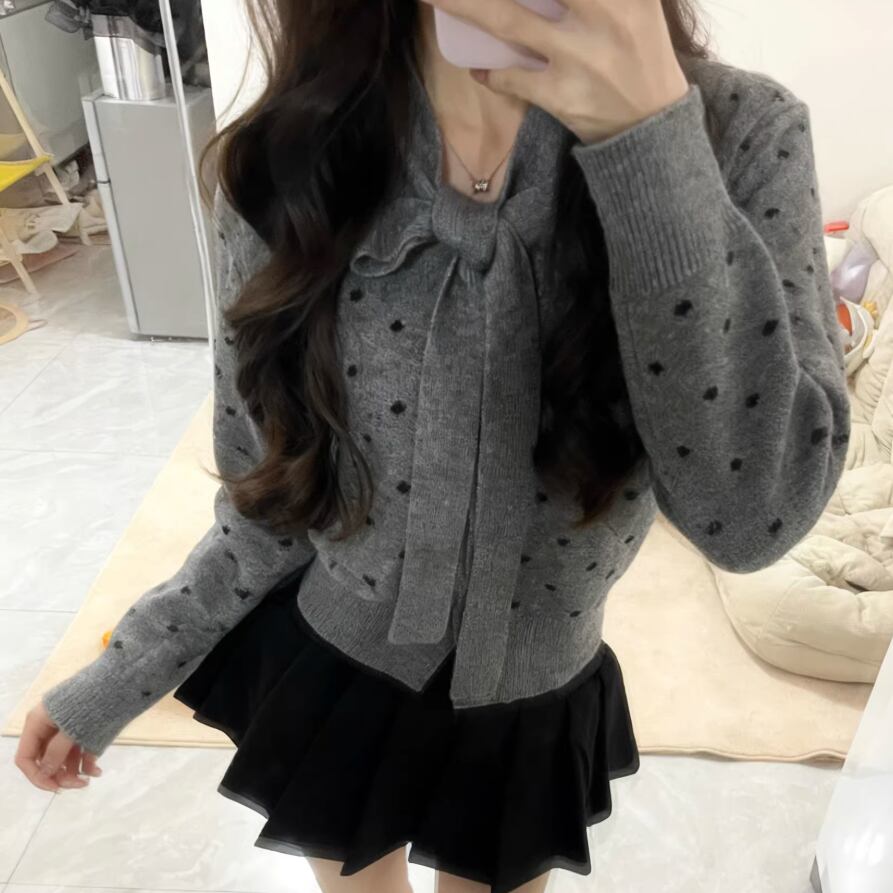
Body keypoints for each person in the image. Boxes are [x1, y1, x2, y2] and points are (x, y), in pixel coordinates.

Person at [15, 1, 851, 891]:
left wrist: (649, 141)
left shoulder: (740, 137)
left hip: (532, 701)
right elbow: (266, 499)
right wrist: (124, 669)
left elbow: (749, 518)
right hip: (334, 666)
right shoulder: (286, 157)